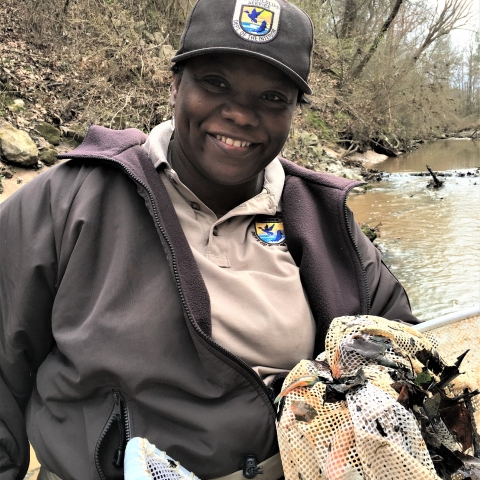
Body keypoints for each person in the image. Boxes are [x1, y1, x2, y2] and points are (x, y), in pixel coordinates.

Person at [0, 0, 418, 479]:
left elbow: (397, 344)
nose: (241, 114)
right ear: (175, 83)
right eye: (215, 83)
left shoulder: (324, 217)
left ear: (293, 113)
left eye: (273, 97)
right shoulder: (69, 199)